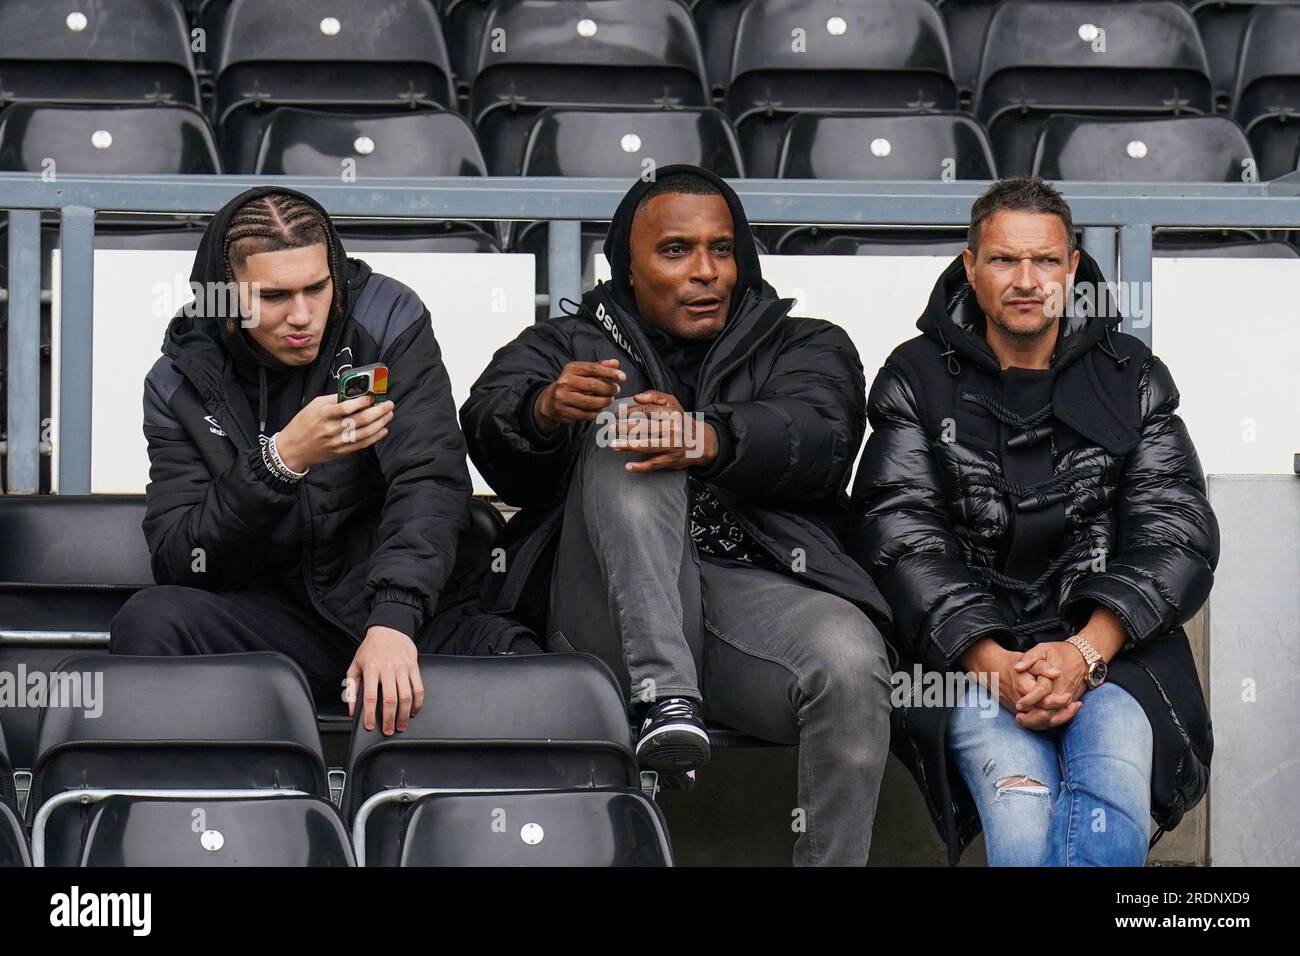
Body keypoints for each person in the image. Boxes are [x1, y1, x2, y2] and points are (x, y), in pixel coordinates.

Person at [460, 165, 894, 866]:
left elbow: (823, 437)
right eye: (675, 251)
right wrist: (539, 413)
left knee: (849, 660)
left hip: (749, 596)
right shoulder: (565, 344)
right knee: (630, 424)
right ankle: (665, 696)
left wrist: (710, 435)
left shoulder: (806, 343)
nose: (706, 272)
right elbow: (483, 428)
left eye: (721, 250)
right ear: (627, 270)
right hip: (603, 613)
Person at [850, 176, 1218, 866]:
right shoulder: (916, 377)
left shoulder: (1133, 376)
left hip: (1116, 656)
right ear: (970, 265)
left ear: (1072, 267)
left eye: (1045, 261)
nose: (1027, 280)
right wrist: (990, 659)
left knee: (1108, 808)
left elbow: (1178, 531)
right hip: (968, 662)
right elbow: (898, 536)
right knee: (1020, 828)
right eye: (1003, 260)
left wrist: (1084, 651)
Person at [110, 187, 525, 737]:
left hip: (416, 618)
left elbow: (428, 478)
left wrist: (394, 619)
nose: (302, 316)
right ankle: (195, 816)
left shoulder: (387, 317)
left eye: (316, 287)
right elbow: (184, 560)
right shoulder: (179, 381)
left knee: (535, 669)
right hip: (284, 624)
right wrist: (280, 461)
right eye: (275, 296)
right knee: (151, 620)